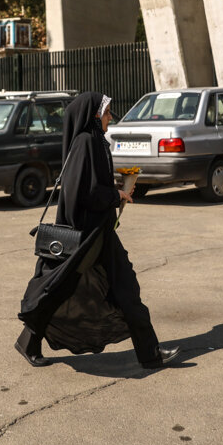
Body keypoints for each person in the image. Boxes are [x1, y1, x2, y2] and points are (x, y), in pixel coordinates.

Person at [16, 91, 180, 369]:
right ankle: (29, 340)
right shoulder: (84, 143)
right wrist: (116, 196)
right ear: (93, 115)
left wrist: (118, 191)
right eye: (106, 112)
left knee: (126, 287)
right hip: (85, 235)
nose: (109, 117)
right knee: (60, 289)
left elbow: (92, 186)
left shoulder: (96, 142)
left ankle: (149, 354)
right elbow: (84, 192)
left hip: (100, 231)